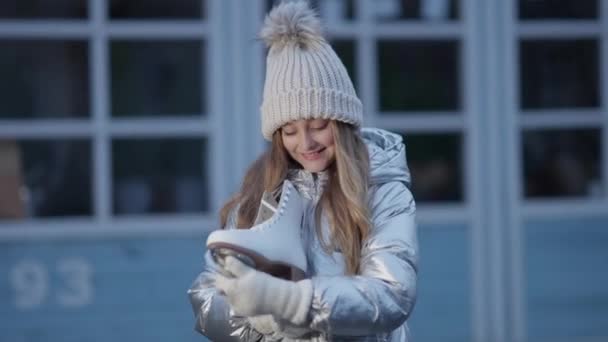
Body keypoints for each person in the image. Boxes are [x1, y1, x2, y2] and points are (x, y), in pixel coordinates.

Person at [188, 1, 419, 340]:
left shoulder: (382, 190)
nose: (306, 142)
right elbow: (206, 297)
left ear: (341, 122)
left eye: (318, 124)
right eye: (290, 131)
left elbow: (392, 294)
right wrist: (256, 315)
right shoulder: (260, 192)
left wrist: (294, 302)